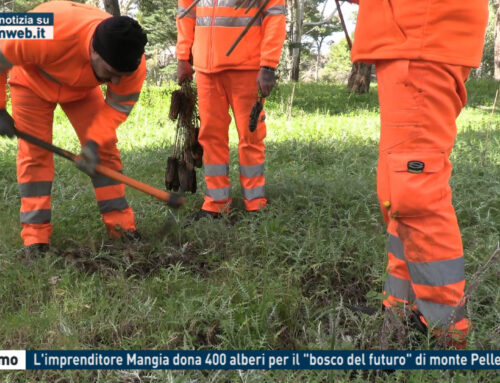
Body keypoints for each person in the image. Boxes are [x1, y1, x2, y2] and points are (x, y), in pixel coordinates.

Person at [348, 0, 489, 347]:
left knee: (415, 195)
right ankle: (402, 312)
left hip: (422, 34)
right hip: (412, 35)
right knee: (400, 193)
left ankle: (446, 337)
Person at [0, 1, 148, 255]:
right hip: (31, 82)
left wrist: (94, 142)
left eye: (121, 76)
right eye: (111, 73)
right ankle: (35, 240)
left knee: (104, 152)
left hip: (81, 90)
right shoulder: (50, 24)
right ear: (94, 51)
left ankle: (122, 229)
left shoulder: (130, 64)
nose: (115, 82)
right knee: (34, 157)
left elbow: (115, 110)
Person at [176, 0, 286, 218]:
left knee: (250, 136)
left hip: (247, 67)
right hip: (206, 70)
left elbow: (275, 17)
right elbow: (186, 14)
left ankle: (255, 203)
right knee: (210, 137)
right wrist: (182, 57)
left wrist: (268, 65)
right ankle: (216, 203)